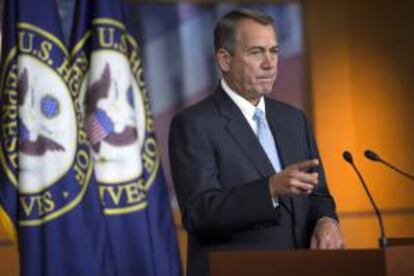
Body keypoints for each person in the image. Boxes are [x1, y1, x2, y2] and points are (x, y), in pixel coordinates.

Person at [169, 9, 344, 276]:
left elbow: (318, 195)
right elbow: (199, 214)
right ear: (225, 60)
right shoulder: (194, 124)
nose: (269, 63)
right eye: (256, 52)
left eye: (274, 51)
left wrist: (326, 221)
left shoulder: (294, 120)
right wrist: (271, 189)